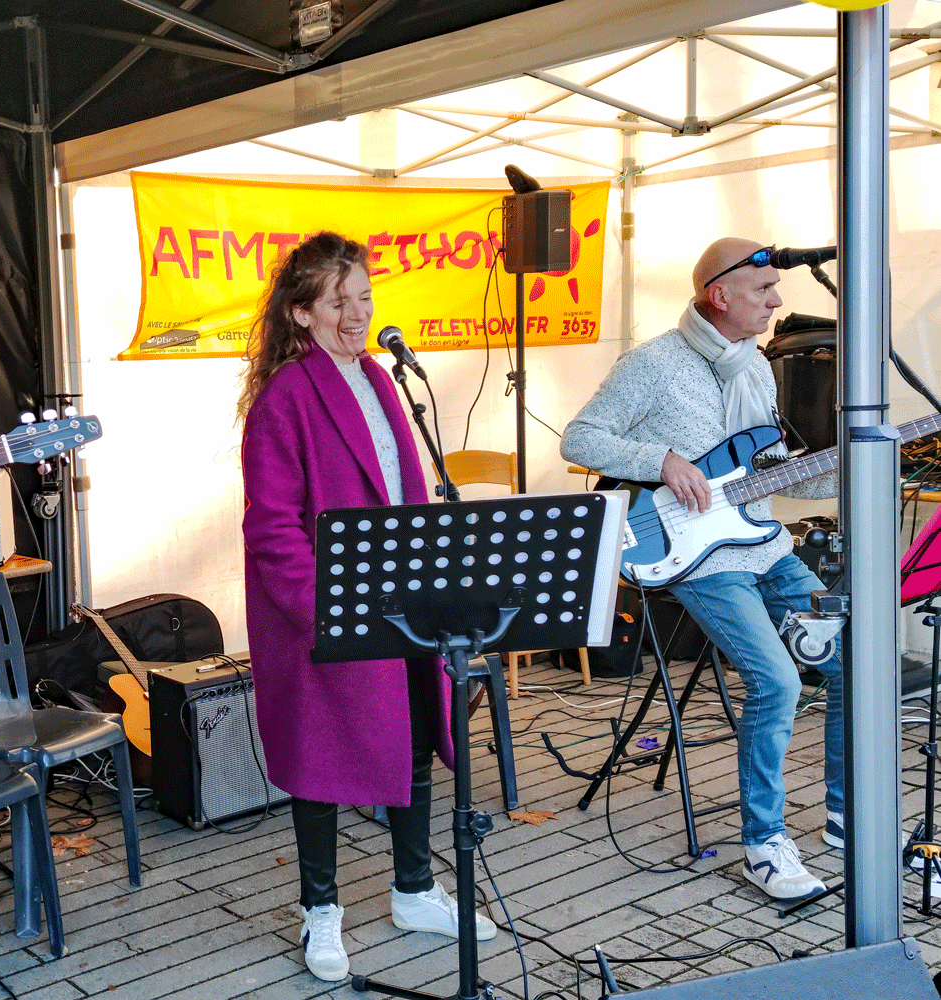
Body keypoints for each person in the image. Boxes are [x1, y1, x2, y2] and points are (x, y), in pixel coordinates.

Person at [238, 231, 496, 984]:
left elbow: (406, 497)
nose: (357, 314)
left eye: (365, 297)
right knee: (319, 769)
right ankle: (321, 914)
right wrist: (327, 610)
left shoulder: (384, 380)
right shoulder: (283, 400)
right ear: (301, 315)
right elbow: (271, 531)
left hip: (401, 603)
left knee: (412, 737)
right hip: (323, 616)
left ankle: (414, 889)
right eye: (337, 302)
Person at [560, 237, 844, 902]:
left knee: (853, 655)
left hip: (765, 547)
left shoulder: (756, 369)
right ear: (720, 294)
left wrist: (852, 466)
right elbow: (581, 437)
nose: (778, 302)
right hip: (698, 561)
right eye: (763, 292)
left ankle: (842, 813)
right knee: (778, 680)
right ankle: (764, 846)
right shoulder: (654, 363)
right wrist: (662, 461)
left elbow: (761, 479)